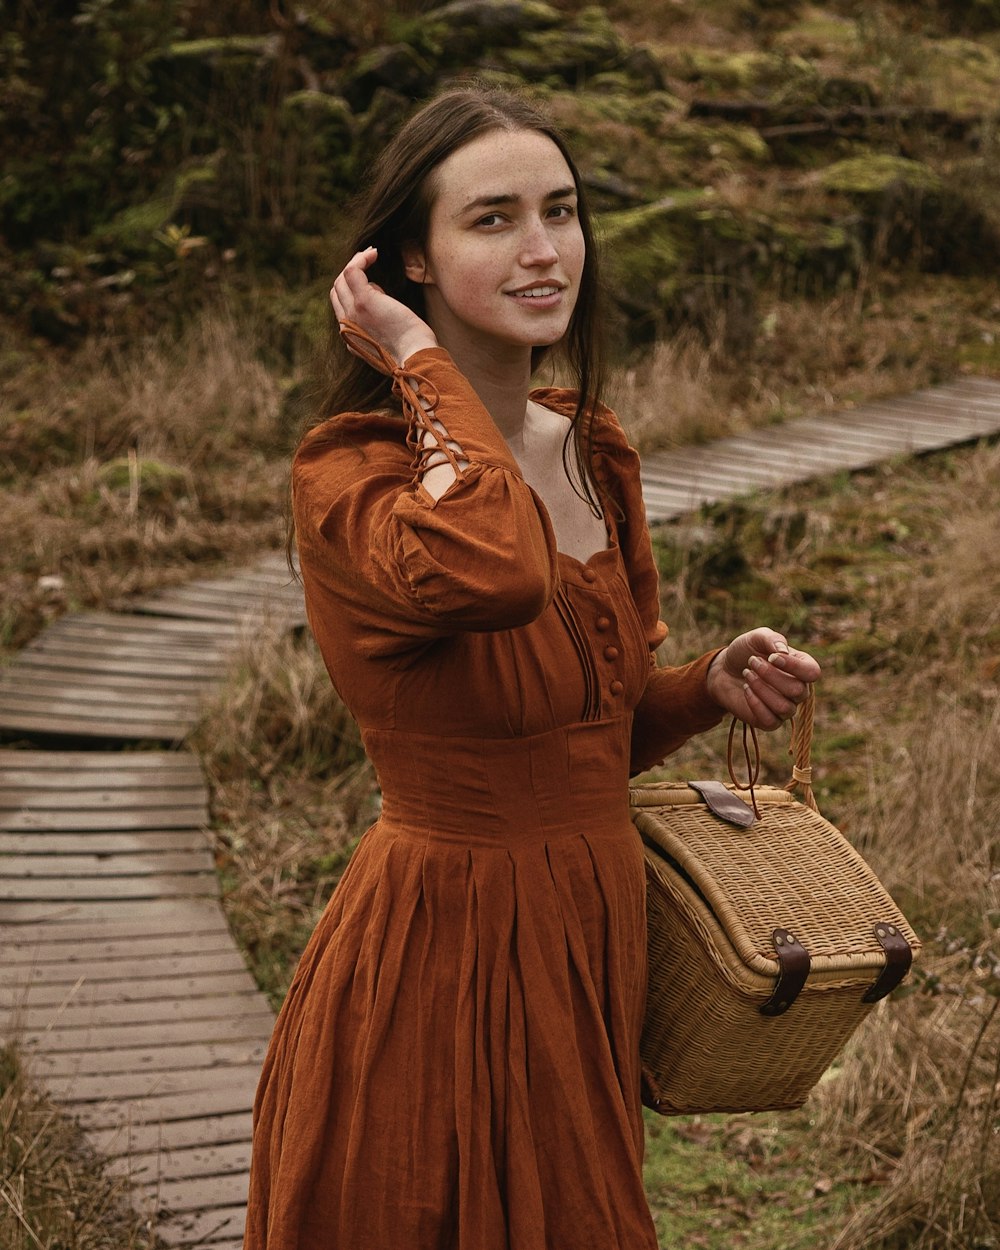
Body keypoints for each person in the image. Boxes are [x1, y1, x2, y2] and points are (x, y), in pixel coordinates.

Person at [244, 85, 820, 1250]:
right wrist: (412, 354)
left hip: (585, 930)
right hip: (440, 941)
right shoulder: (350, 477)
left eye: (559, 210)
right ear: (411, 253)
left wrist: (702, 689)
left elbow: (579, 730)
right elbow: (492, 574)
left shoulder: (595, 452)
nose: (544, 249)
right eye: (492, 219)